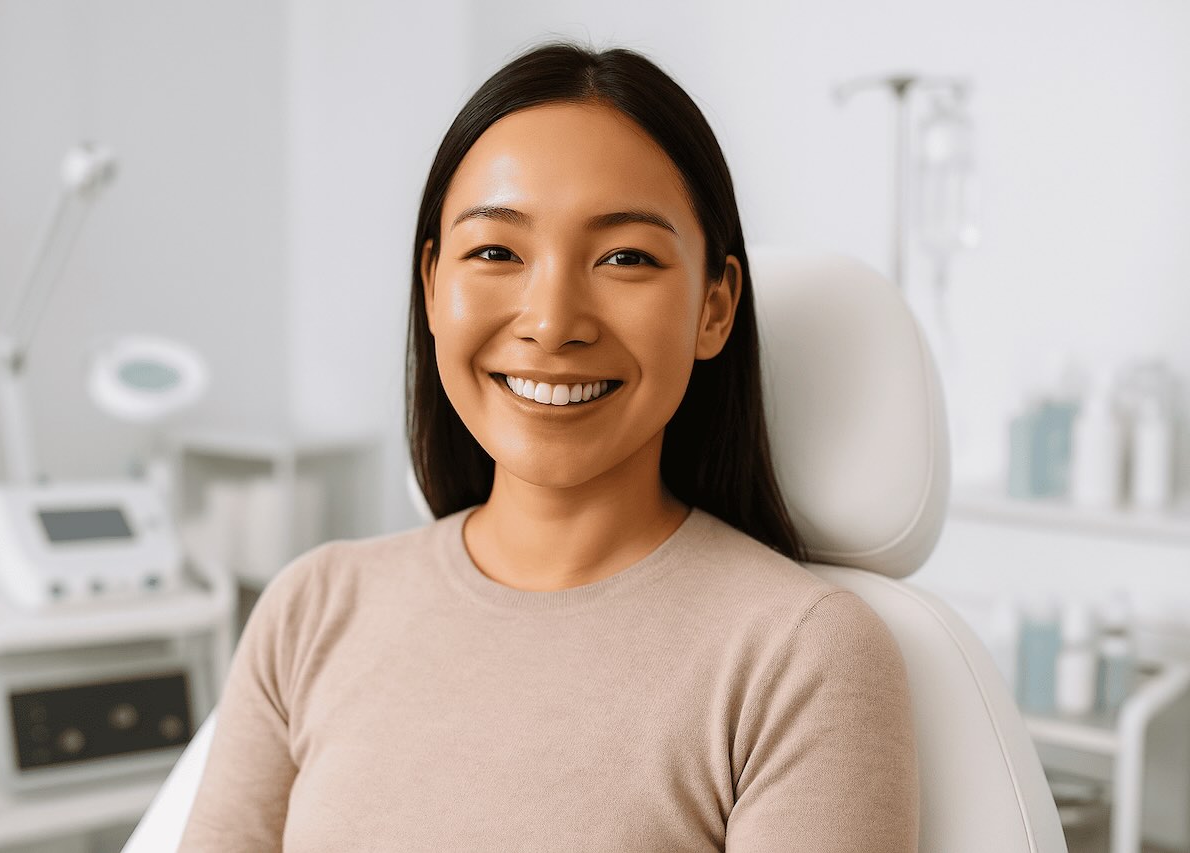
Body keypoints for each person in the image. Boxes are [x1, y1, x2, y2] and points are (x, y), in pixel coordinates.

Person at [178, 40, 918, 852]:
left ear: (714, 307)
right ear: (431, 286)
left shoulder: (799, 654)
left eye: (625, 257)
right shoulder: (311, 609)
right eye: (496, 252)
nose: (552, 319)